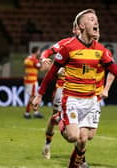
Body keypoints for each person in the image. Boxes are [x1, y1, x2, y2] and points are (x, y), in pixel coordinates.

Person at [32, 9, 117, 168]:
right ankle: (60, 118)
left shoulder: (101, 50)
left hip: (92, 99)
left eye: (97, 20)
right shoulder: (68, 47)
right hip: (72, 98)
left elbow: (114, 69)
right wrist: (39, 95)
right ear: (82, 25)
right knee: (73, 137)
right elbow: (51, 73)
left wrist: (106, 88)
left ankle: (74, 165)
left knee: (85, 138)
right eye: (92, 19)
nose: (96, 22)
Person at [41, 22, 81, 159]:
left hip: (79, 89)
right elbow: (47, 52)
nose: (79, 30)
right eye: (77, 27)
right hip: (62, 86)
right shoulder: (65, 43)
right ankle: (47, 144)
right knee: (55, 116)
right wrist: (44, 58)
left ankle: (79, 155)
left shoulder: (89, 48)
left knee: (79, 122)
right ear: (74, 30)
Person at [23, 46, 46, 119]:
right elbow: (41, 68)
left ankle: (35, 112)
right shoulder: (34, 60)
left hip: (27, 80)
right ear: (37, 51)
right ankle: (27, 113)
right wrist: (45, 64)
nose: (39, 52)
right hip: (32, 81)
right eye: (39, 51)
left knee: (33, 96)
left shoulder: (27, 59)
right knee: (32, 97)